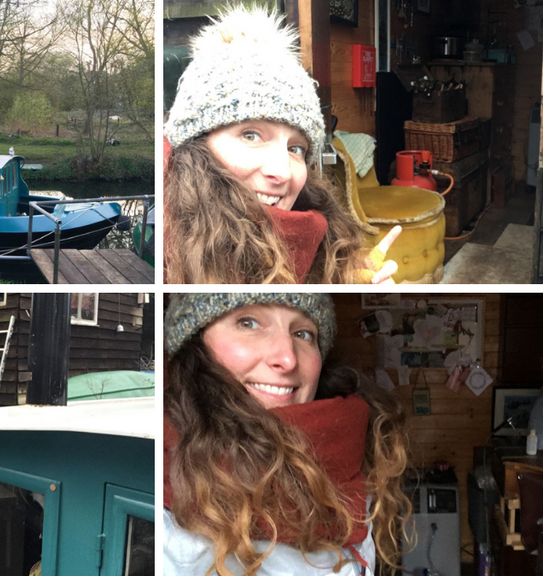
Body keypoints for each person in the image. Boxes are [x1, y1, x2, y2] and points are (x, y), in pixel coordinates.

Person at [164, 293, 411, 575]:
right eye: (248, 323)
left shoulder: (356, 455)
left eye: (303, 333)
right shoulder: (163, 497)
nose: (288, 358)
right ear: (194, 344)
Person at [164, 6, 400, 284]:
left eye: (296, 148)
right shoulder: (167, 266)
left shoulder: (323, 246)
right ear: (194, 147)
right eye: (250, 136)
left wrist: (350, 281)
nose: (283, 172)